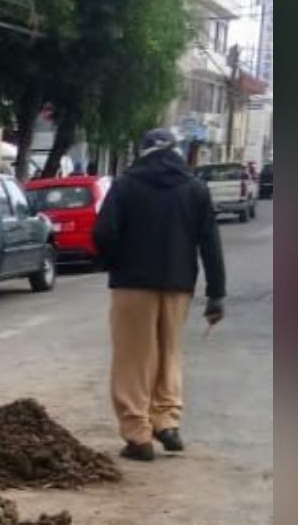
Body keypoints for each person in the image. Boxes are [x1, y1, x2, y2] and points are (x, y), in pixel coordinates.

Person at [91, 128, 226, 461]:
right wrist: (216, 294)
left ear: (144, 151)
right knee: (170, 352)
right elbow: (210, 242)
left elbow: (104, 231)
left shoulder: (126, 184)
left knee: (133, 358)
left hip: (132, 284)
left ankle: (138, 435)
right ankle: (167, 422)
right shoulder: (194, 188)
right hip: (178, 284)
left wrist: (112, 262)